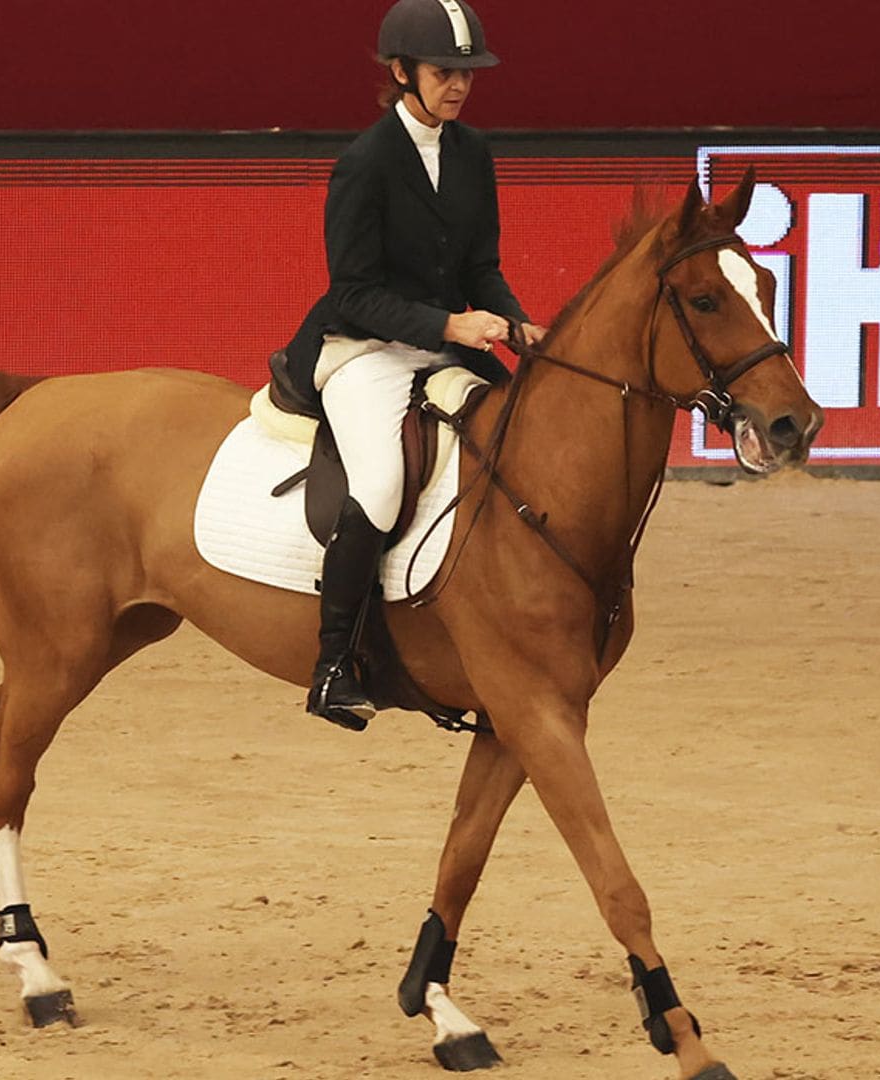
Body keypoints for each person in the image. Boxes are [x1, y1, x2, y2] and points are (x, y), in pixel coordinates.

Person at [282, 0, 545, 731]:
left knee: (516, 445)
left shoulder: (473, 153)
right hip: (366, 350)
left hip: (445, 347)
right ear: (401, 73)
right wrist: (448, 322)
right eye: (443, 71)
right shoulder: (364, 164)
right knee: (382, 480)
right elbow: (354, 292)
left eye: (467, 73)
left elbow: (481, 266)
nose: (458, 85)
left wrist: (515, 322)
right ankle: (333, 664)